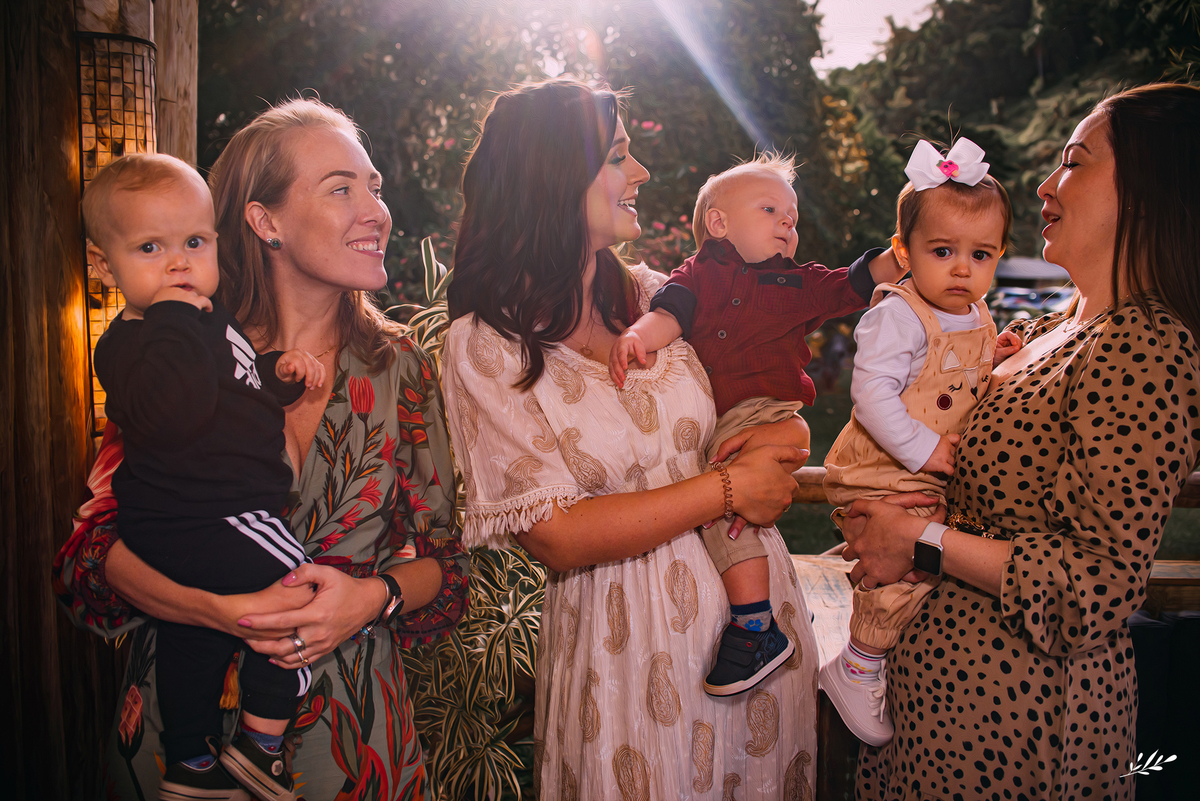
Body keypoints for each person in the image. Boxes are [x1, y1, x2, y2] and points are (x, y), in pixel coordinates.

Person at [54, 99, 468, 801]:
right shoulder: (181, 349)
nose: (376, 210)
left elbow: (449, 569)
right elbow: (89, 561)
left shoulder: (403, 367)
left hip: (351, 746)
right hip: (179, 747)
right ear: (263, 220)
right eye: (342, 188)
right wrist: (213, 610)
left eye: (375, 186)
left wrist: (367, 598)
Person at [441, 78, 819, 798]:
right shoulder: (485, 343)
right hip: (623, 659)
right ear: (553, 174)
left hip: (761, 645)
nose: (640, 173)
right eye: (618, 156)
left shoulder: (662, 297)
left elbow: (769, 379)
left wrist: (785, 430)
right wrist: (729, 486)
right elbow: (557, 535)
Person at [841, 82, 1200, 800]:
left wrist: (919, 539)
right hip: (928, 706)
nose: (1044, 184)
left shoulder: (1147, 346)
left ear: (1151, 186)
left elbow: (1095, 584)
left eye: (1074, 161)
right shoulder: (1039, 332)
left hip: (1017, 725)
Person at [607, 153, 905, 696]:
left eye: (791, 217)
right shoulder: (695, 275)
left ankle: (756, 626)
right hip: (713, 419)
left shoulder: (795, 284)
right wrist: (638, 338)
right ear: (719, 225)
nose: (788, 224)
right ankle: (778, 609)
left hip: (764, 412)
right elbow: (670, 313)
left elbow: (853, 282)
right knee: (729, 510)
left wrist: (901, 250)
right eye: (771, 210)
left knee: (727, 510)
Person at [83, 153, 327, 799]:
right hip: (210, 514)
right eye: (150, 247)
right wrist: (173, 316)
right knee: (303, 596)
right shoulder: (134, 343)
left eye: (194, 242)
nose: (178, 263)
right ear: (104, 266)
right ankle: (260, 744)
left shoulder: (204, 325)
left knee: (190, 638)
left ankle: (190, 763)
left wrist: (277, 372)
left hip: (194, 520)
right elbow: (179, 409)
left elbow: (233, 388)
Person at [819, 138, 1023, 747]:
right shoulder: (898, 313)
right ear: (903, 253)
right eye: (942, 251)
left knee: (932, 546)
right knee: (911, 555)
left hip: (921, 466)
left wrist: (996, 358)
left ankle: (877, 649)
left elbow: (960, 375)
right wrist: (926, 452)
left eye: (980, 254)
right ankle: (858, 661)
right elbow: (874, 396)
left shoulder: (979, 315)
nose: (962, 268)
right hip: (881, 468)